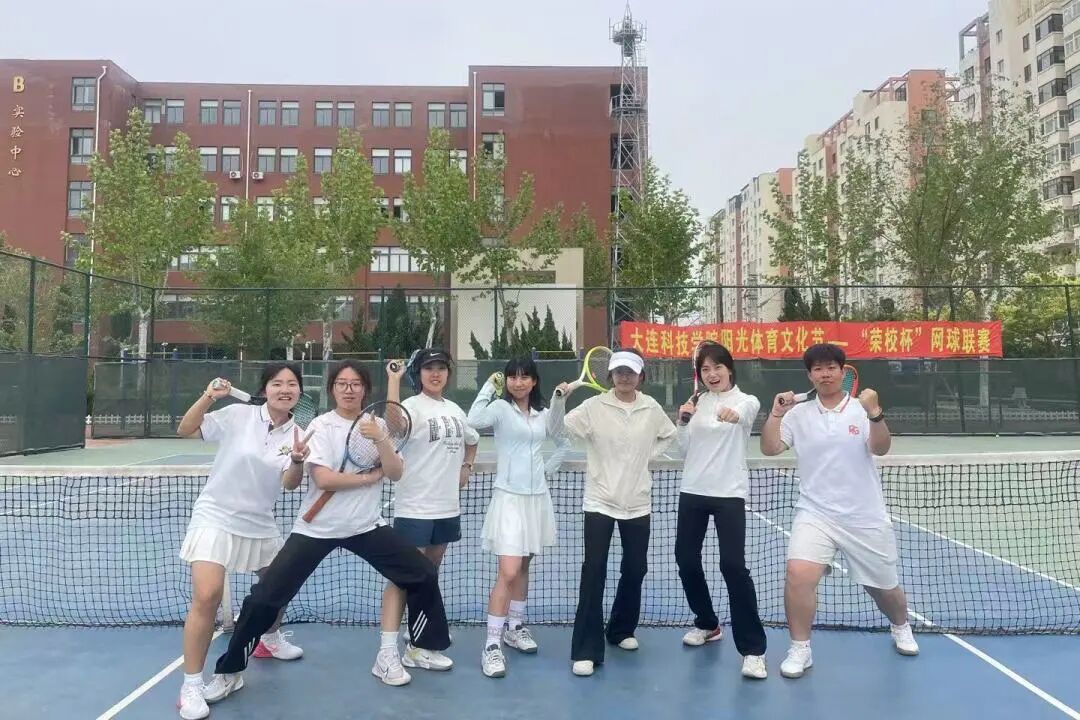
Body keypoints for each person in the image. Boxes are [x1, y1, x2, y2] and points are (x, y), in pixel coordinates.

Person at [203, 360, 451, 706]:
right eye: (342, 383)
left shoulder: (377, 425)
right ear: (332, 389)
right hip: (316, 529)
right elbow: (324, 479)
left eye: (356, 384)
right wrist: (369, 477)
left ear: (365, 390)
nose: (349, 389)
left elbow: (395, 472)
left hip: (366, 526)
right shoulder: (320, 426)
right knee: (264, 598)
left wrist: (381, 439)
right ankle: (229, 671)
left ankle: (418, 648)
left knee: (422, 573)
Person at [760, 343, 919, 680]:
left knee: (884, 589)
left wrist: (875, 413)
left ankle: (900, 625)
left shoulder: (861, 410)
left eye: (831, 367)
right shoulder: (798, 414)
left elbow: (881, 448)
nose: (825, 374)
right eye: (818, 369)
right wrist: (775, 413)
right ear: (810, 375)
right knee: (798, 575)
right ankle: (800, 648)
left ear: (843, 372)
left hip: (864, 515)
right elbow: (771, 448)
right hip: (815, 513)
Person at [174, 364, 310, 720]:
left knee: (277, 586)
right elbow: (185, 429)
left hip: (259, 520)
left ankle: (271, 639)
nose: (285, 389)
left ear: (299, 392)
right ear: (265, 389)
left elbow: (290, 483)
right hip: (215, 514)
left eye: (292, 384)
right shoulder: (237, 414)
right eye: (277, 383)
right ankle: (191, 685)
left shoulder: (298, 432)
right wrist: (208, 397)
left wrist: (297, 461)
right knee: (207, 596)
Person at [561, 348, 677, 677]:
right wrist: (560, 400)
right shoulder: (593, 406)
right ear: (610, 376)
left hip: (638, 502)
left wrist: (647, 457)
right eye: (619, 372)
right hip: (600, 500)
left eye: (630, 372)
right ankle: (586, 650)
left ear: (641, 376)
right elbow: (559, 428)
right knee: (594, 571)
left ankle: (621, 629)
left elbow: (669, 435)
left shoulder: (651, 407)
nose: (624, 377)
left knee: (636, 568)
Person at [466, 357, 571, 678]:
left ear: (534, 381)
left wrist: (559, 402)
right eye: (513, 377)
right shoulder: (500, 409)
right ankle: (492, 644)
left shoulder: (542, 414)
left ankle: (515, 626)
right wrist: (489, 386)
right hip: (509, 499)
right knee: (508, 571)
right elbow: (473, 420)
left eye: (525, 377)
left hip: (536, 500)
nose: (518, 382)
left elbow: (561, 438)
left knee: (524, 565)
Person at [381, 349, 479, 675]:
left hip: (447, 507)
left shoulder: (455, 410)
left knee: (430, 573)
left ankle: (419, 632)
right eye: (428, 368)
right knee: (406, 575)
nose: (435, 374)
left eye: (441, 368)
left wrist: (467, 466)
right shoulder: (411, 406)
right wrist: (393, 381)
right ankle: (405, 648)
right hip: (415, 507)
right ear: (419, 374)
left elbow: (472, 440)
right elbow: (392, 425)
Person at [675, 343, 768, 679]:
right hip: (693, 490)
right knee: (686, 560)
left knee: (732, 566)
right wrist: (682, 422)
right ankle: (707, 623)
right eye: (705, 369)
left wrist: (734, 415)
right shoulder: (697, 403)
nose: (712, 374)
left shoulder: (746, 400)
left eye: (717, 367)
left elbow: (745, 414)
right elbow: (683, 449)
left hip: (729, 493)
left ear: (729, 369)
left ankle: (753, 650)